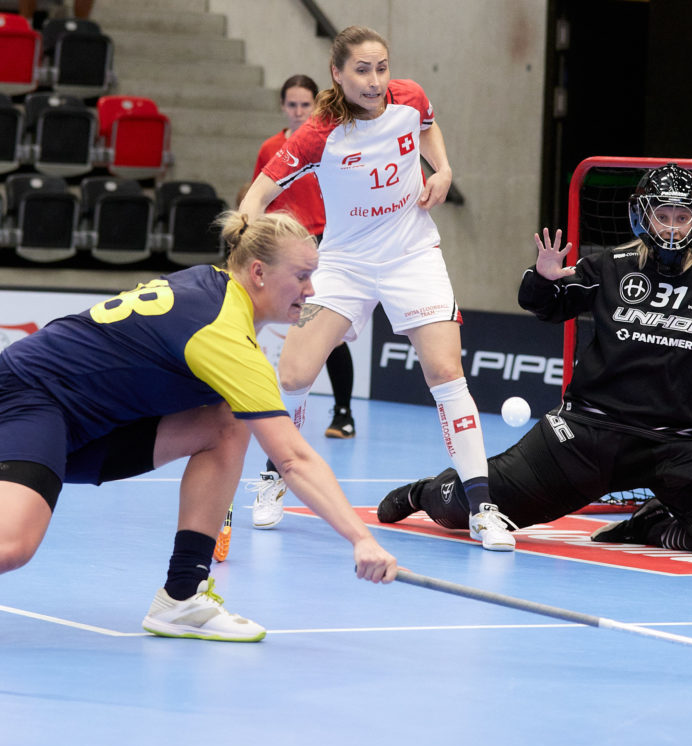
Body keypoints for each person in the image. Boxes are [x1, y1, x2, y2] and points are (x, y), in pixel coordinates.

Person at [377, 163, 692, 557]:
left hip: (681, 447)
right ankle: (422, 492)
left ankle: (652, 526)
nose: (671, 227)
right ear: (643, 216)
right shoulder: (612, 265)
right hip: (585, 436)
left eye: (681, 216)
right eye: (662, 216)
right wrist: (542, 278)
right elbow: (549, 305)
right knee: (469, 509)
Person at [0, 211, 402, 642]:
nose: (311, 289)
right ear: (259, 272)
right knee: (12, 546)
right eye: (302, 275)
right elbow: (293, 459)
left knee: (226, 420)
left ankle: (182, 597)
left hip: (84, 424)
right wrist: (362, 539)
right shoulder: (221, 331)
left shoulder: (212, 288)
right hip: (27, 399)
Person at [238, 26, 515, 551]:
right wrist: (244, 240)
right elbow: (258, 193)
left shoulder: (409, 97)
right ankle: (276, 474)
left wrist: (444, 169)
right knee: (295, 372)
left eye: (381, 67)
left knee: (446, 372)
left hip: (412, 255)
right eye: (362, 71)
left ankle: (483, 508)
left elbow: (429, 127)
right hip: (344, 261)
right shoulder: (317, 134)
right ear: (337, 75)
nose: (374, 80)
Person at [244, 73, 359, 531]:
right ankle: (273, 461)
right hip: (279, 251)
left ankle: (343, 412)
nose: (297, 111)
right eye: (290, 104)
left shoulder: (331, 144)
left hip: (326, 248)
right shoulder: (271, 148)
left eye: (304, 104)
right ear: (282, 107)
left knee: (326, 337)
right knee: (295, 350)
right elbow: (258, 196)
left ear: (318, 105)